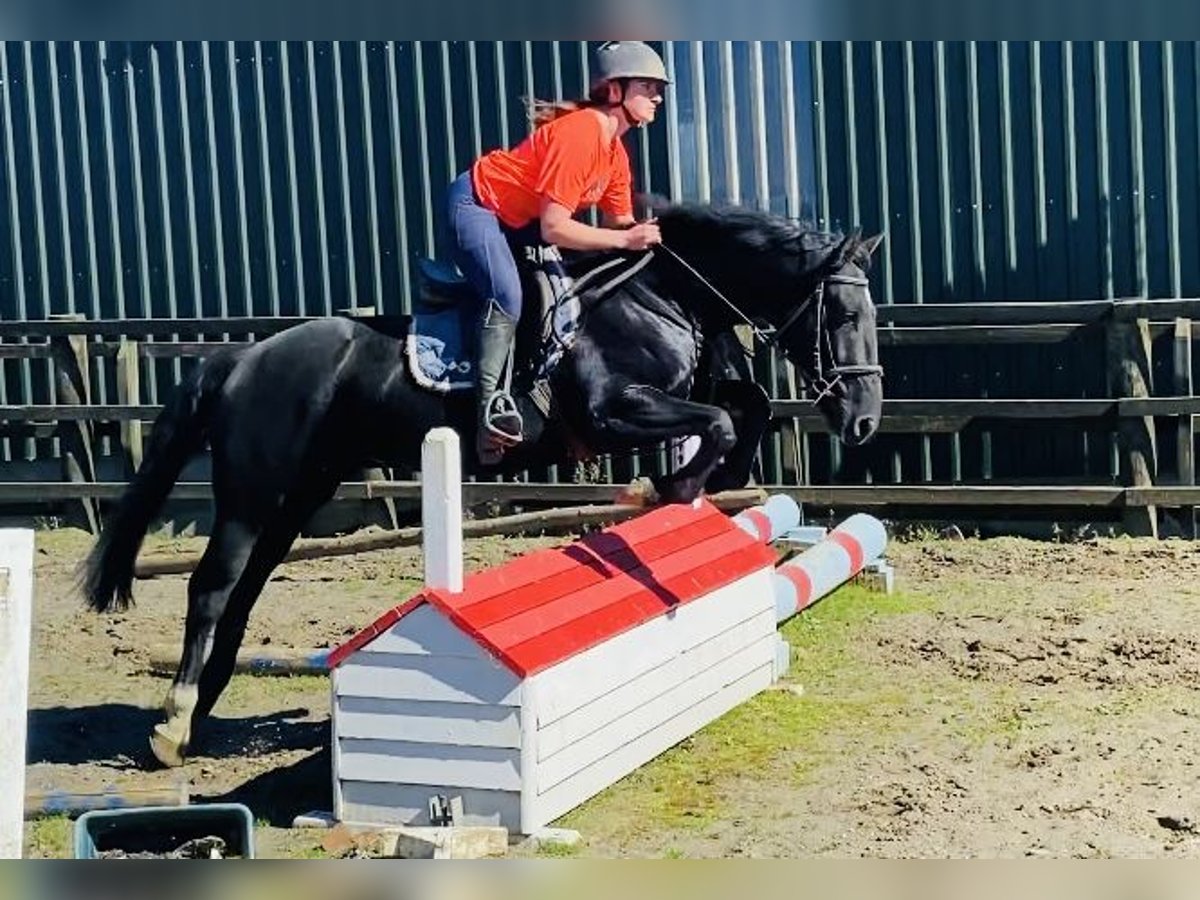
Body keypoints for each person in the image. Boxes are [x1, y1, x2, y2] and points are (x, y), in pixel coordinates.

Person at [445, 40, 668, 464]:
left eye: (658, 88)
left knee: (562, 292)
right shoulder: (582, 133)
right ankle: (489, 414)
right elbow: (557, 227)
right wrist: (626, 239)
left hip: (518, 221)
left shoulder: (615, 152)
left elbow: (622, 224)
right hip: (477, 206)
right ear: (615, 90)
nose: (657, 96)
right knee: (507, 295)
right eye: (647, 86)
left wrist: (652, 236)